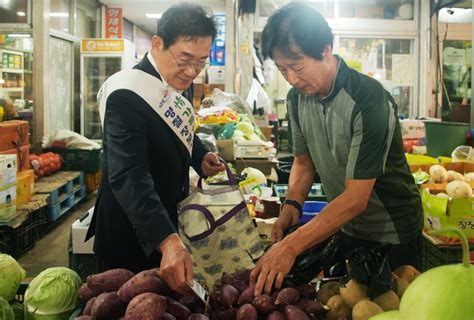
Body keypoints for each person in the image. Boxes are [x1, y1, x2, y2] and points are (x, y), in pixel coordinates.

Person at [250, 3, 423, 295]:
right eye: (282, 69)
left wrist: (292, 245)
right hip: (343, 226)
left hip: (392, 232)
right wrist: (292, 205)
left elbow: (356, 198)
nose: (291, 78)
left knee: (388, 308)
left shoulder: (369, 99)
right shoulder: (296, 99)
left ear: (326, 50)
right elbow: (303, 163)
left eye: (298, 67)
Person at [86, 3, 225, 294]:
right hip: (131, 232)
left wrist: (200, 156)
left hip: (168, 221)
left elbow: (176, 128)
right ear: (158, 44)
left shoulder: (177, 78)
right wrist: (167, 239)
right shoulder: (126, 95)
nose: (191, 72)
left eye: (200, 62)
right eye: (185, 58)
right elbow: (129, 175)